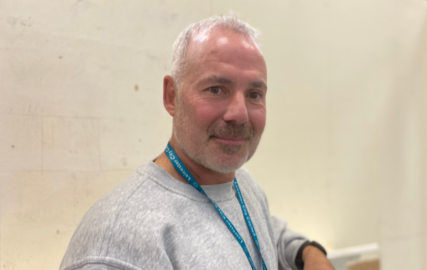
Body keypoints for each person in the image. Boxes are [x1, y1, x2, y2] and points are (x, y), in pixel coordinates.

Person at [60, 16, 334, 270]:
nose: (239, 114)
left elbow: (265, 236)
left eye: (254, 93)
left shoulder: (242, 186)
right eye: (216, 89)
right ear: (172, 97)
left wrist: (307, 251)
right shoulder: (118, 247)